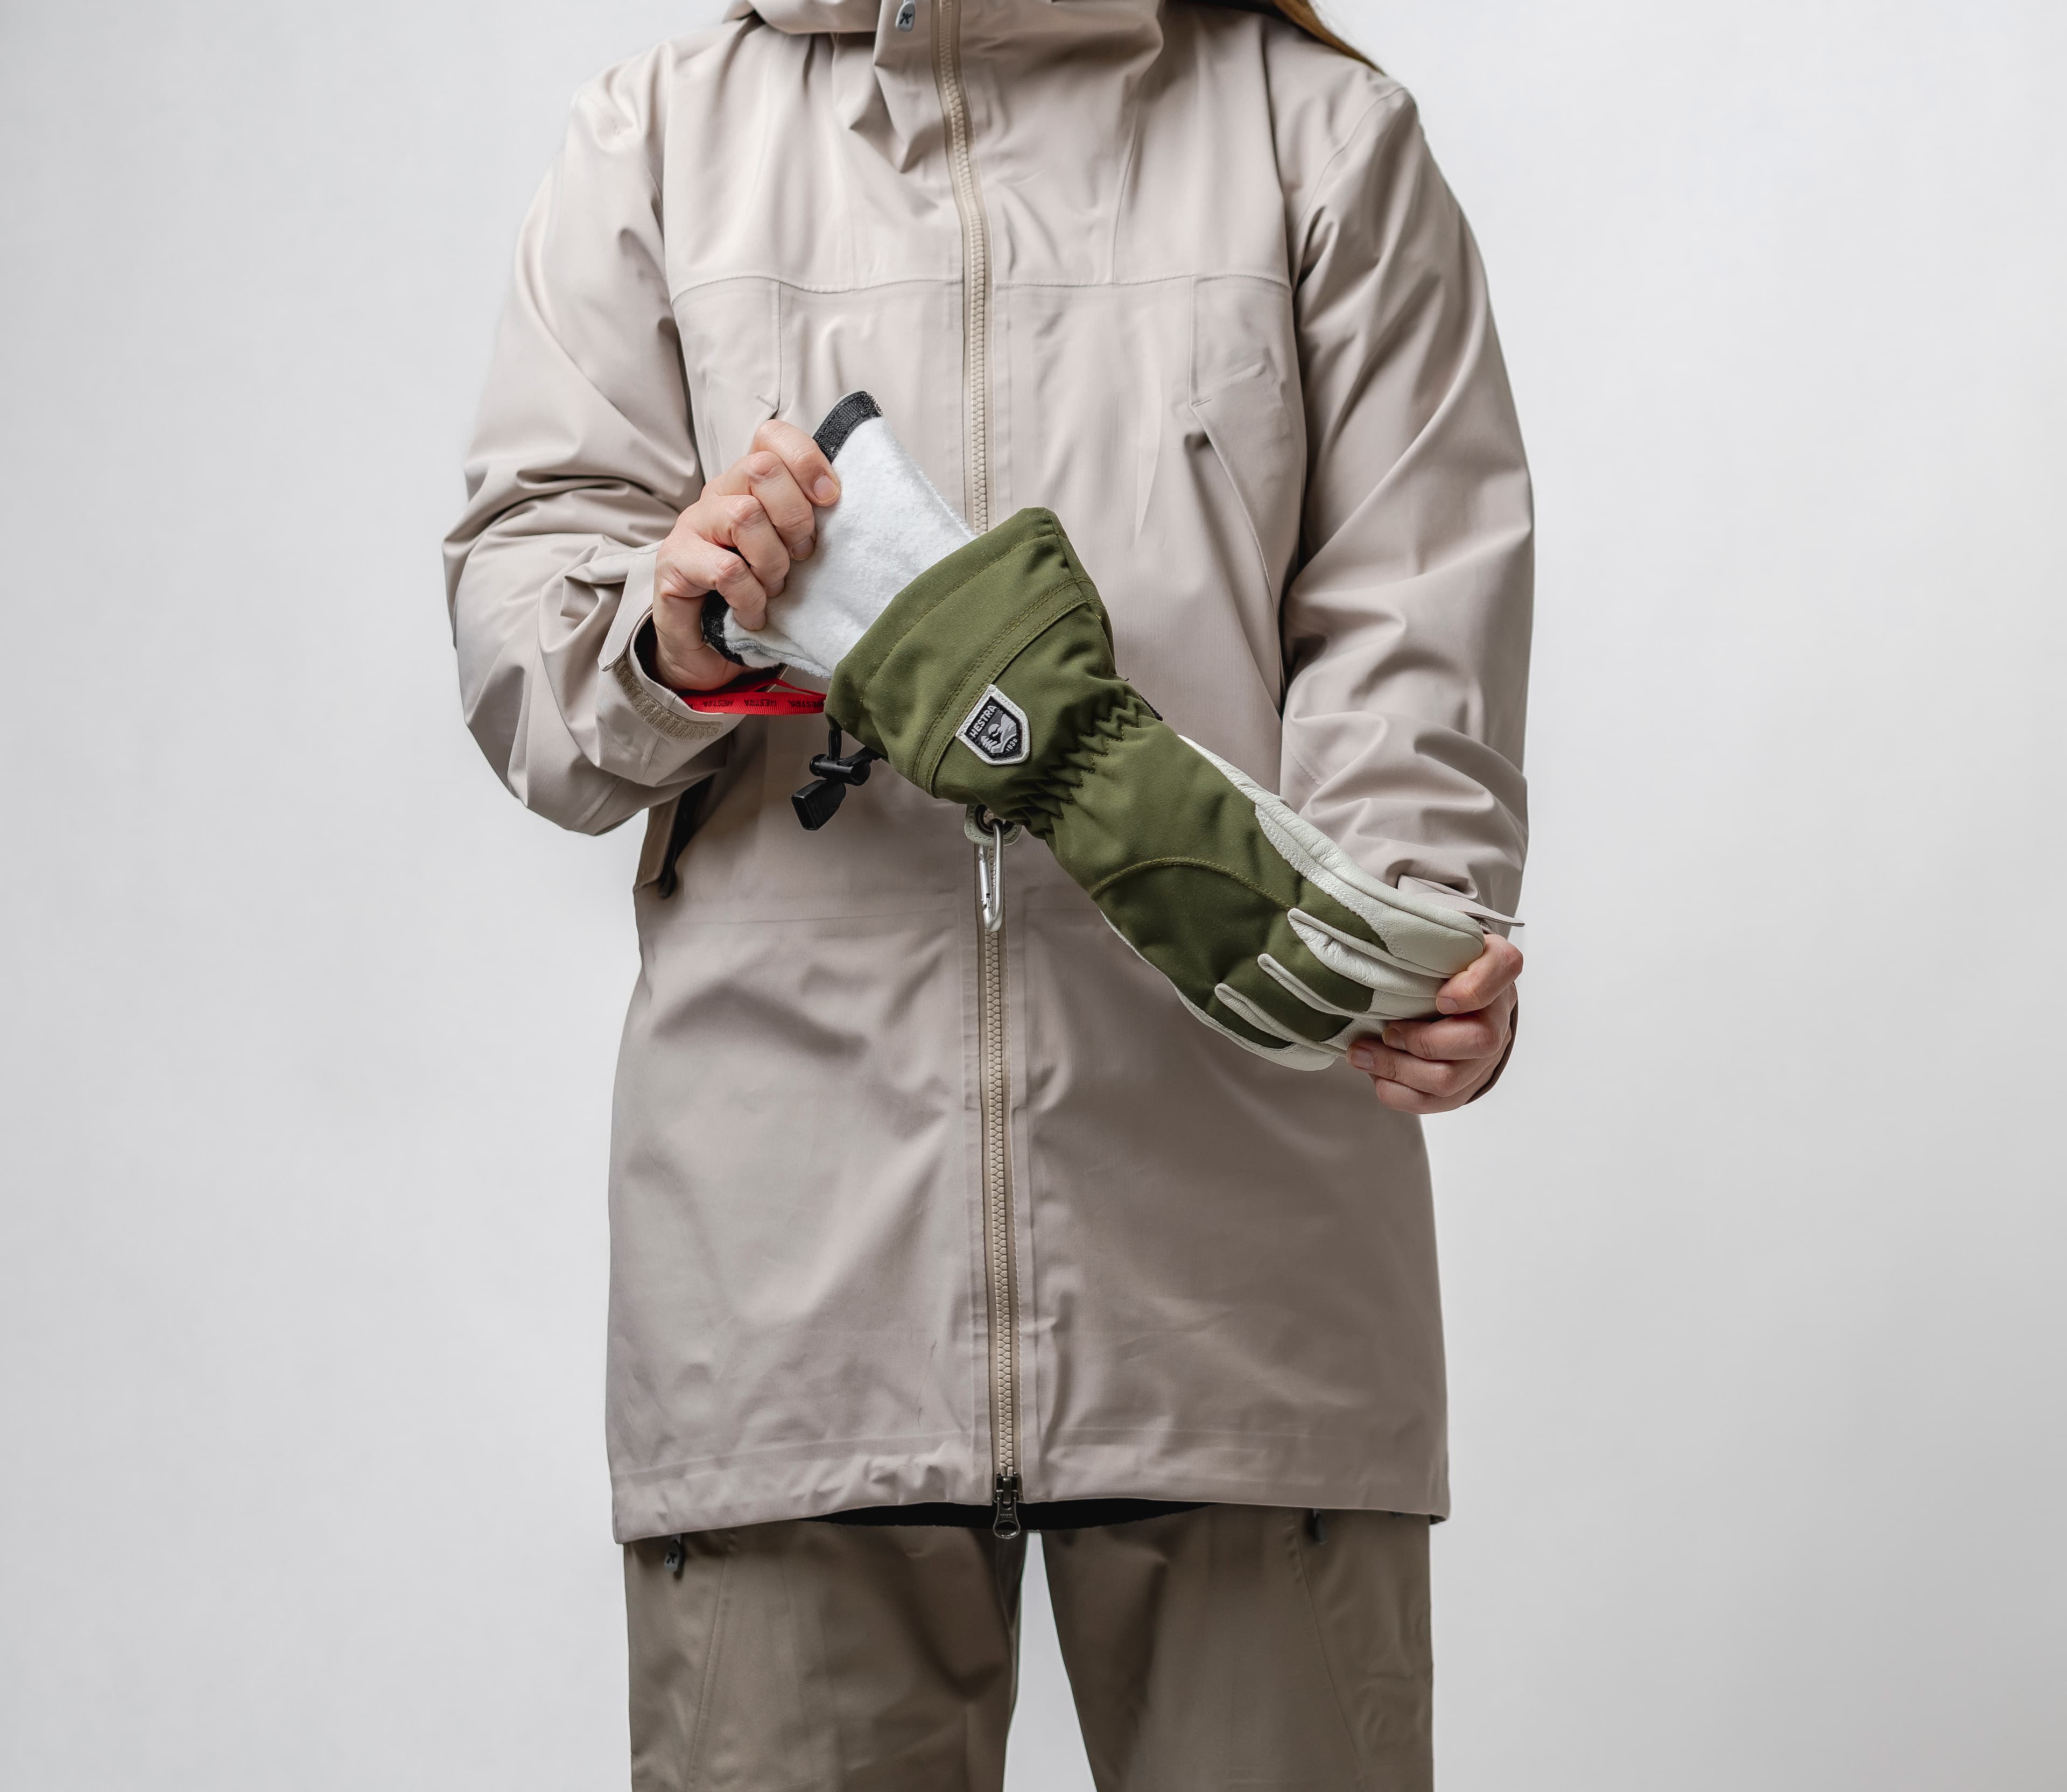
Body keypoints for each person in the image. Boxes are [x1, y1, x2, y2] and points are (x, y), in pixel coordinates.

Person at [445, 0, 1530, 1784]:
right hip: (792, 1295)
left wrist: (1413, 940)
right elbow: (530, 625)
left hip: (1247, 1286)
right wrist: (671, 620)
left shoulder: (1322, 136)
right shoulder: (659, 137)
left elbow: (1414, 630)